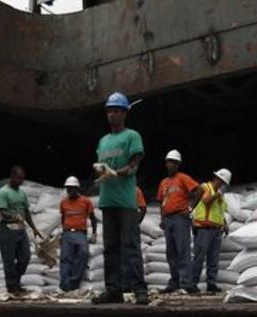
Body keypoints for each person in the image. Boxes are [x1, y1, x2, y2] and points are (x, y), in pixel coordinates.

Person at [92, 92, 148, 305]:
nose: (111, 115)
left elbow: (134, 165)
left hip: (126, 202)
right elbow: (101, 165)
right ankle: (113, 290)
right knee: (110, 248)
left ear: (124, 113)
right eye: (109, 111)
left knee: (130, 245)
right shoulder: (103, 141)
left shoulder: (132, 136)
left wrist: (116, 172)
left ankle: (139, 290)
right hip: (107, 201)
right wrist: (100, 170)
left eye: (116, 111)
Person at [157, 149, 200, 294]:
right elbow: (162, 201)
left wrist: (190, 208)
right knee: (171, 252)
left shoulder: (183, 178)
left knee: (183, 250)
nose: (172, 164)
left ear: (178, 165)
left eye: (175, 162)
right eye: (170, 162)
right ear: (166, 163)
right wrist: (162, 218)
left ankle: (186, 282)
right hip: (168, 219)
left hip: (180, 218)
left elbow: (199, 190)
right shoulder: (164, 182)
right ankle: (174, 281)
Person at [0, 165, 42, 295]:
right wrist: (14, 216)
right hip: (8, 229)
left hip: (21, 229)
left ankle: (15, 281)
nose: (21, 181)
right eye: (18, 178)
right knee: (9, 260)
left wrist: (34, 228)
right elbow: (3, 211)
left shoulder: (22, 193)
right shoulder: (3, 192)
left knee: (25, 257)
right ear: (12, 177)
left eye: (22, 178)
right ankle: (12, 286)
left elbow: (26, 211)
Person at [192, 168, 231, 294]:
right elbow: (207, 201)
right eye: (222, 182)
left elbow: (220, 211)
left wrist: (225, 224)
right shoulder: (205, 187)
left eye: (224, 184)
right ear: (217, 179)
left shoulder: (220, 196)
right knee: (199, 257)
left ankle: (211, 283)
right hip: (203, 228)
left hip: (216, 230)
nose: (222, 185)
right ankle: (192, 283)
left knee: (213, 259)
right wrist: (218, 193)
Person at [59, 176, 97, 292]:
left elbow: (93, 218)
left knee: (83, 253)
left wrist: (94, 233)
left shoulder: (86, 201)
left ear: (77, 188)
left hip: (80, 233)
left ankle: (74, 282)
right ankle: (65, 284)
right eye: (68, 188)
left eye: (72, 188)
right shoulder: (63, 202)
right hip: (67, 232)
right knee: (66, 258)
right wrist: (62, 232)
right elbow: (63, 218)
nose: (70, 190)